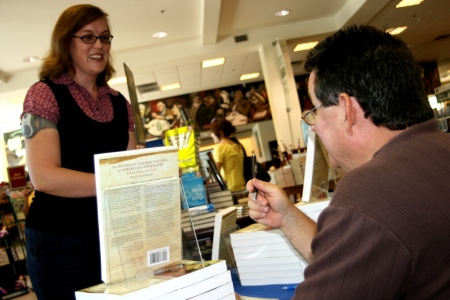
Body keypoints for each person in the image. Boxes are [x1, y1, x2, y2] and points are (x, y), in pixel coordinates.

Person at [247, 24, 450, 299]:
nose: (314, 126)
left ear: (346, 109)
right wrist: (288, 219)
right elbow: (351, 264)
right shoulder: (438, 150)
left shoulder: (371, 189)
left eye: (315, 110)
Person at [20, 4, 136, 299]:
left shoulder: (120, 102)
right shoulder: (44, 94)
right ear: (66, 43)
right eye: (88, 37)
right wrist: (119, 180)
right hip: (59, 241)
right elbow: (44, 177)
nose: (99, 45)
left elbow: (129, 168)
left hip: (113, 237)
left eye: (105, 37)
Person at [210, 118, 246, 192]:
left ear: (220, 132)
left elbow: (216, 173)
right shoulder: (237, 145)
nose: (211, 135)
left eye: (213, 132)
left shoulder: (220, 148)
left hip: (230, 190)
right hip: (243, 187)